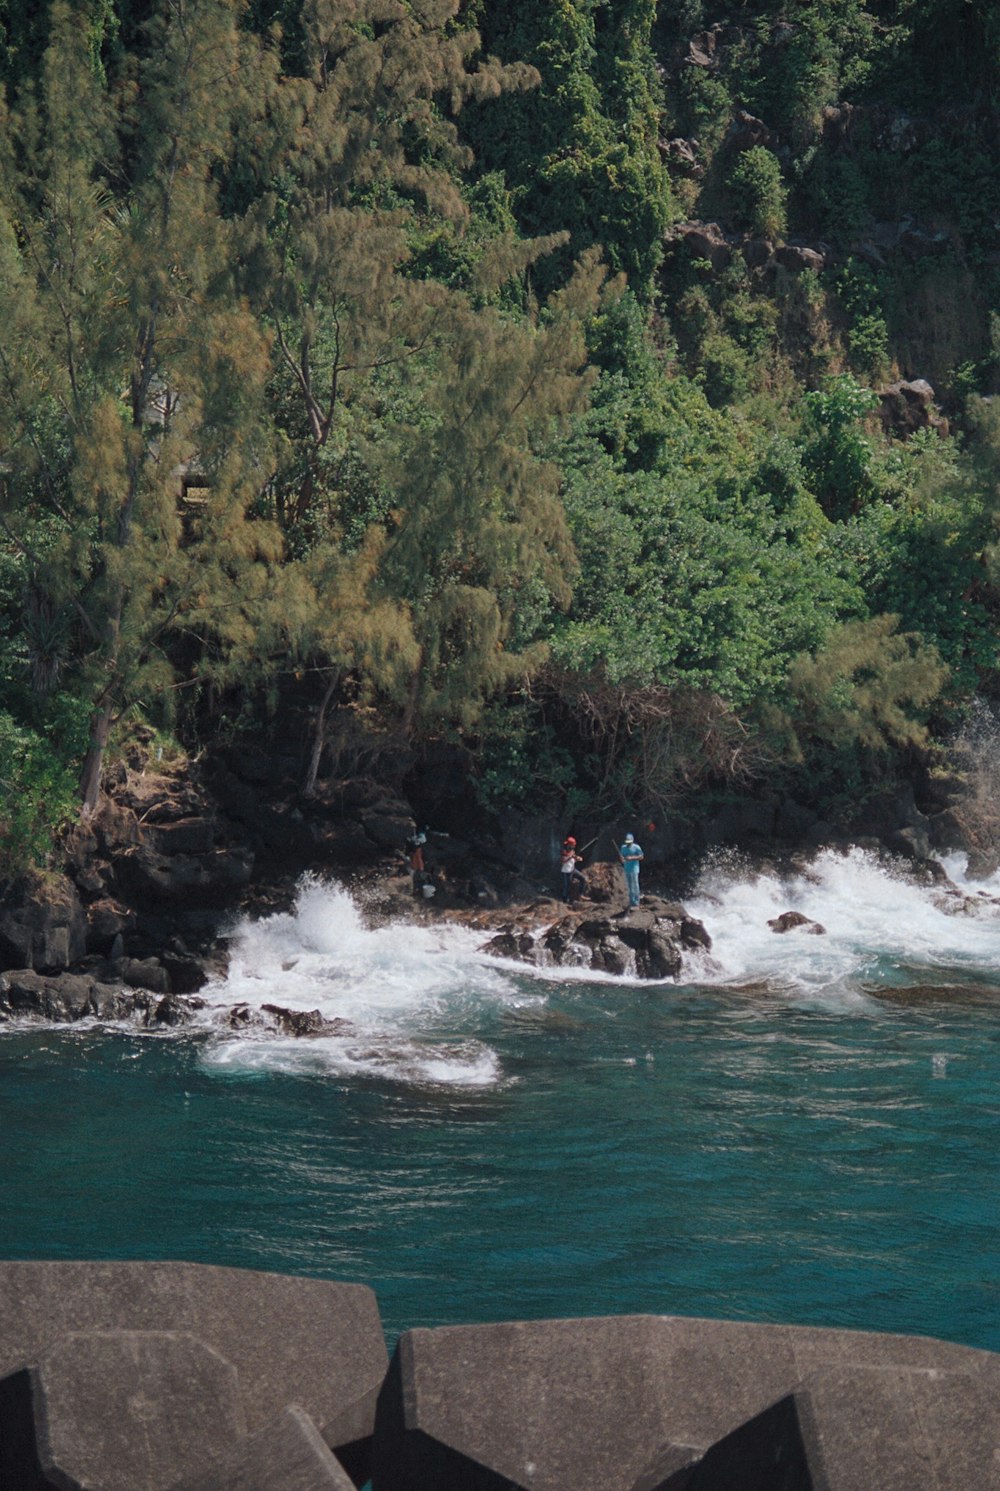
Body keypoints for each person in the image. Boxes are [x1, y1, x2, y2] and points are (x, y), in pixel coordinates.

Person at [619, 832, 644, 907]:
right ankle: (631, 901)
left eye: (629, 842)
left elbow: (641, 856)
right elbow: (622, 857)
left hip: (634, 869)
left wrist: (632, 858)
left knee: (635, 885)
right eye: (627, 842)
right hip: (627, 869)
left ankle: (636, 902)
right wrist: (622, 859)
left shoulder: (636, 847)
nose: (628, 844)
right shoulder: (623, 847)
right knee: (629, 886)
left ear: (632, 841)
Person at [560, 837, 586, 904]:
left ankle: (581, 894)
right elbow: (563, 861)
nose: (574, 846)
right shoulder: (564, 850)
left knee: (583, 878)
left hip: (572, 869)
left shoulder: (572, 851)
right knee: (567, 886)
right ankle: (565, 900)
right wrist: (570, 857)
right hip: (565, 871)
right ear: (569, 844)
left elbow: (573, 860)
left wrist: (577, 859)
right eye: (573, 845)